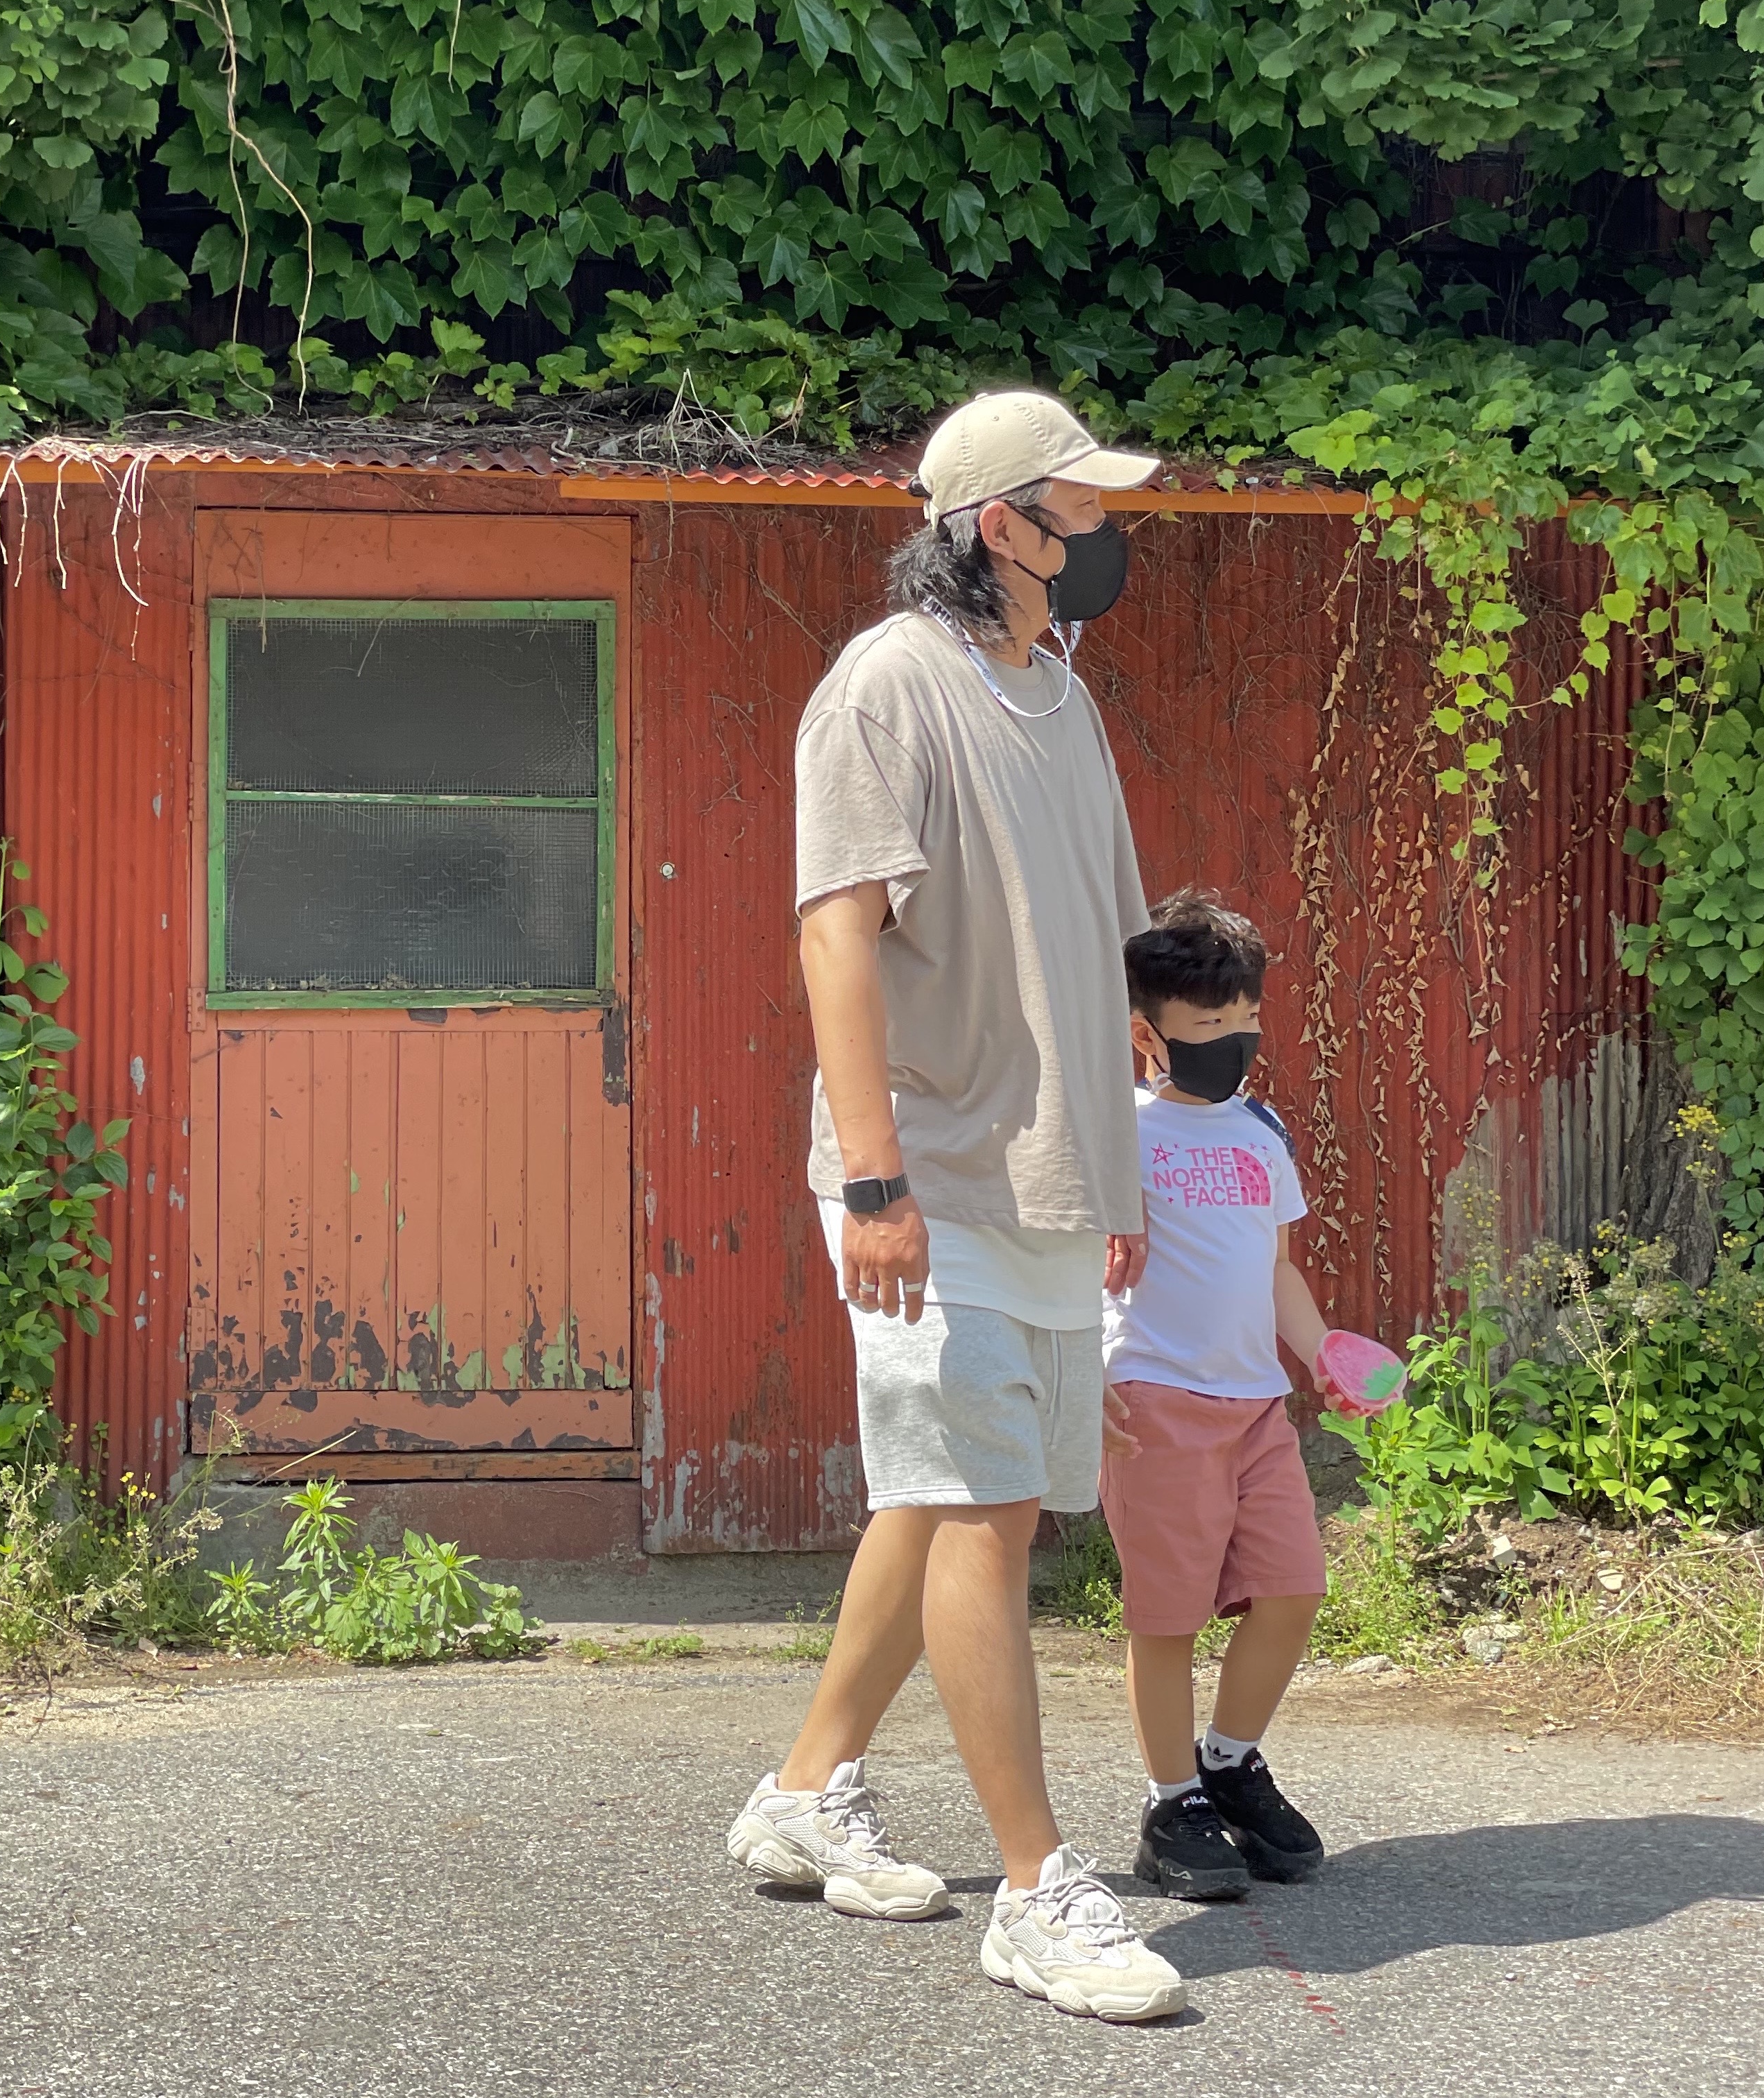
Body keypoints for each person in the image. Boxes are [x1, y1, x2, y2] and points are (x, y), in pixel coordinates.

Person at [723, 390, 1187, 2024]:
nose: (1106, 531)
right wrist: (874, 1181)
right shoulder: (889, 685)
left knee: (939, 1502)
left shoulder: (1064, 693)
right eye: (1082, 506)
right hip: (927, 1171)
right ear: (1003, 524)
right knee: (986, 1509)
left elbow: (1100, 940)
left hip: (1047, 1171)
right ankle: (1038, 1891)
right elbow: (835, 932)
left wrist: (1116, 1159)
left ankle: (803, 1792)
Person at [1099, 891, 1333, 1902]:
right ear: (1146, 1034)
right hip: (1153, 1402)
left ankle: (1230, 1764)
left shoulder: (1262, 1131)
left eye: (1246, 1021)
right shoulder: (1118, 1134)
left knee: (1293, 1590)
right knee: (1168, 1617)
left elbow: (1276, 1268)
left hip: (1256, 1405)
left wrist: (1321, 1355)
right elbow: (1078, 1264)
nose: (1233, 1042)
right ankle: (1172, 1804)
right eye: (1207, 1026)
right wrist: (1085, 1375)